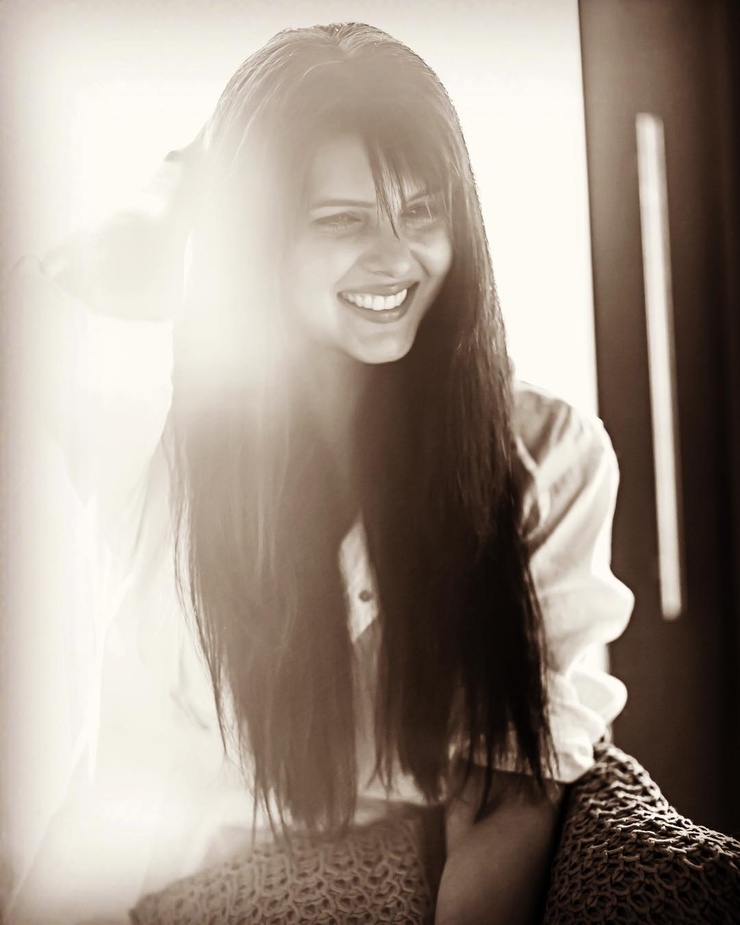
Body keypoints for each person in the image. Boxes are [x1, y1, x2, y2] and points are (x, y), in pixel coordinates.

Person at [5, 22, 633, 925]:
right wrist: (175, 200)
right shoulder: (147, 416)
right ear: (256, 234)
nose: (396, 258)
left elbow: (507, 792)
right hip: (129, 895)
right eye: (343, 220)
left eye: (423, 211)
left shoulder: (549, 455)